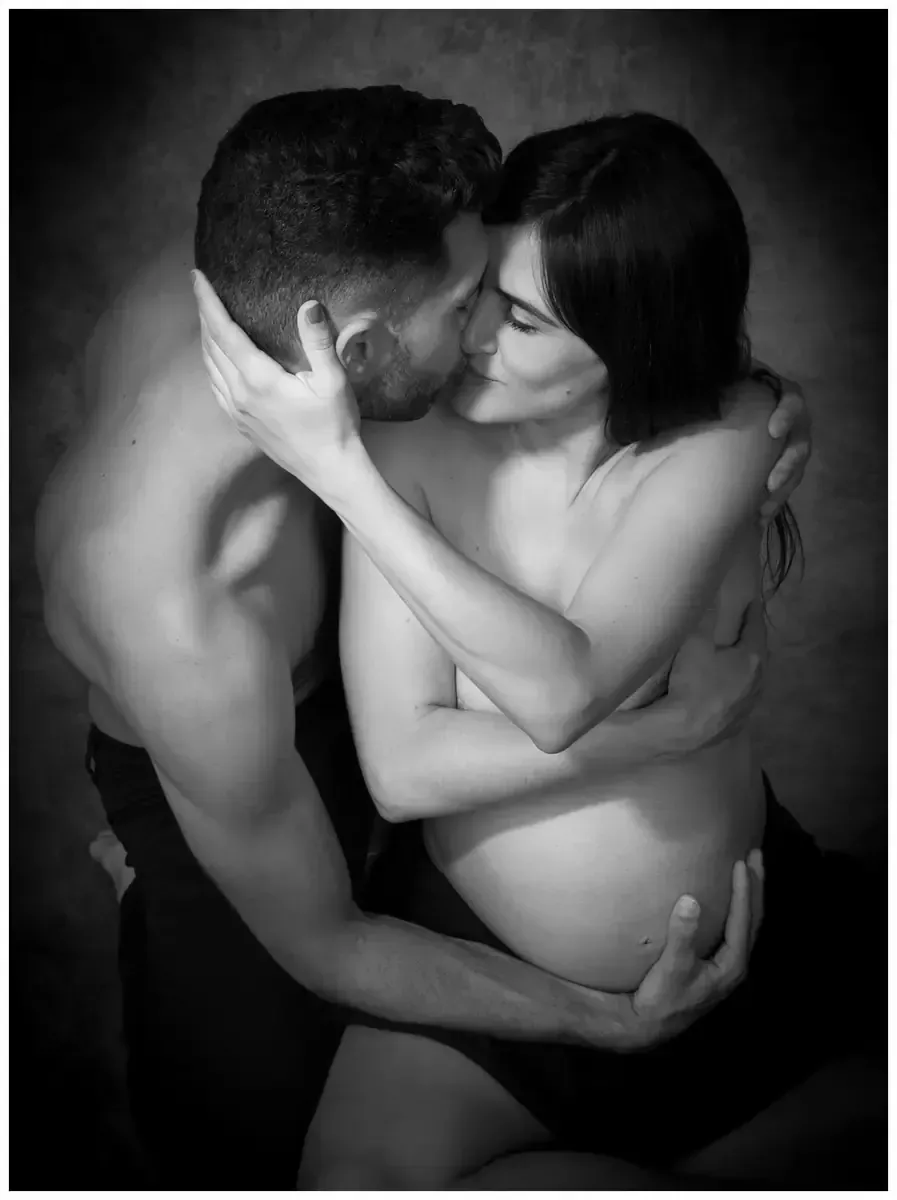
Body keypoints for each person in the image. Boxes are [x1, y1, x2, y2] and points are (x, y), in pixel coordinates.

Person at [36, 89, 807, 1188]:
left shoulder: (273, 256)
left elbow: (609, 281)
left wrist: (735, 395)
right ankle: (161, 890)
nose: (482, 328)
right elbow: (334, 939)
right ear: (355, 349)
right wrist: (602, 1020)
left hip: (368, 682)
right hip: (220, 744)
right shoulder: (187, 617)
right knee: (239, 1139)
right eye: (467, 303)